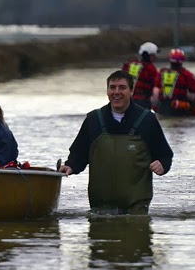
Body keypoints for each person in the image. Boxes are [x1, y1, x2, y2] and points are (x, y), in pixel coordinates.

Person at [59, 70, 174, 214]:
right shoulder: (93, 119)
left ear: (131, 91)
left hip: (136, 206)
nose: (116, 92)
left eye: (122, 87)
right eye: (112, 87)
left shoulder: (147, 120)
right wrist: (70, 166)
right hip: (100, 207)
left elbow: (165, 155)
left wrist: (162, 165)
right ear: (107, 91)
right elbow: (79, 154)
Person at [153, 48, 195, 113]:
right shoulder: (186, 74)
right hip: (179, 107)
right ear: (182, 60)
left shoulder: (161, 73)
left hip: (163, 106)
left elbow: (156, 86)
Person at [121, 41, 159, 109]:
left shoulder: (129, 65)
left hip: (125, 100)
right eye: (153, 55)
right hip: (142, 102)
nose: (155, 57)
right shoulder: (150, 68)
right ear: (149, 55)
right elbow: (155, 86)